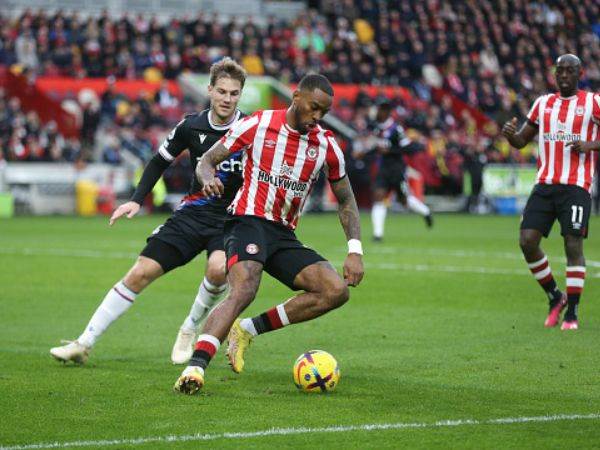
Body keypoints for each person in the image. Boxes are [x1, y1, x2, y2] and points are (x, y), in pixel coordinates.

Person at [174, 74, 364, 394]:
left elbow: (346, 199)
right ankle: (195, 368)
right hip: (247, 219)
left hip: (282, 233)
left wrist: (355, 250)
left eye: (324, 112)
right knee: (245, 288)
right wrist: (207, 177)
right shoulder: (259, 124)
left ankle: (247, 330)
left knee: (335, 291)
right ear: (296, 97)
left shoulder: (326, 146)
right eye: (314, 107)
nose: (317, 116)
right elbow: (208, 160)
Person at [50, 58, 248, 364]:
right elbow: (159, 161)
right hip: (192, 215)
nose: (227, 98)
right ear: (209, 90)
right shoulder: (190, 125)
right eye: (221, 91)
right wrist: (135, 199)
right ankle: (83, 342)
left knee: (218, 268)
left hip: (231, 219)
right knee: (141, 271)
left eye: (234, 93)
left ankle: (189, 327)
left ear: (240, 95)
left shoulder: (252, 129)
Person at [502, 54, 600, 331]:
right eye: (560, 71)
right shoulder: (543, 103)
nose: (564, 76)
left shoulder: (593, 102)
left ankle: (573, 313)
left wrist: (590, 145)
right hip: (545, 184)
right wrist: (510, 134)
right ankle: (555, 297)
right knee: (527, 240)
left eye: (570, 71)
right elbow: (522, 140)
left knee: (572, 244)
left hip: (576, 186)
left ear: (580, 73)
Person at [369, 100, 433, 241]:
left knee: (404, 200)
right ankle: (377, 235)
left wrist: (390, 150)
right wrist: (366, 152)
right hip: (383, 169)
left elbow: (408, 148)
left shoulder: (396, 129)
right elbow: (378, 147)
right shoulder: (376, 128)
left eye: (379, 110)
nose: (376, 113)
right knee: (378, 196)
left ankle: (426, 211)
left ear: (385, 112)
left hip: (397, 169)